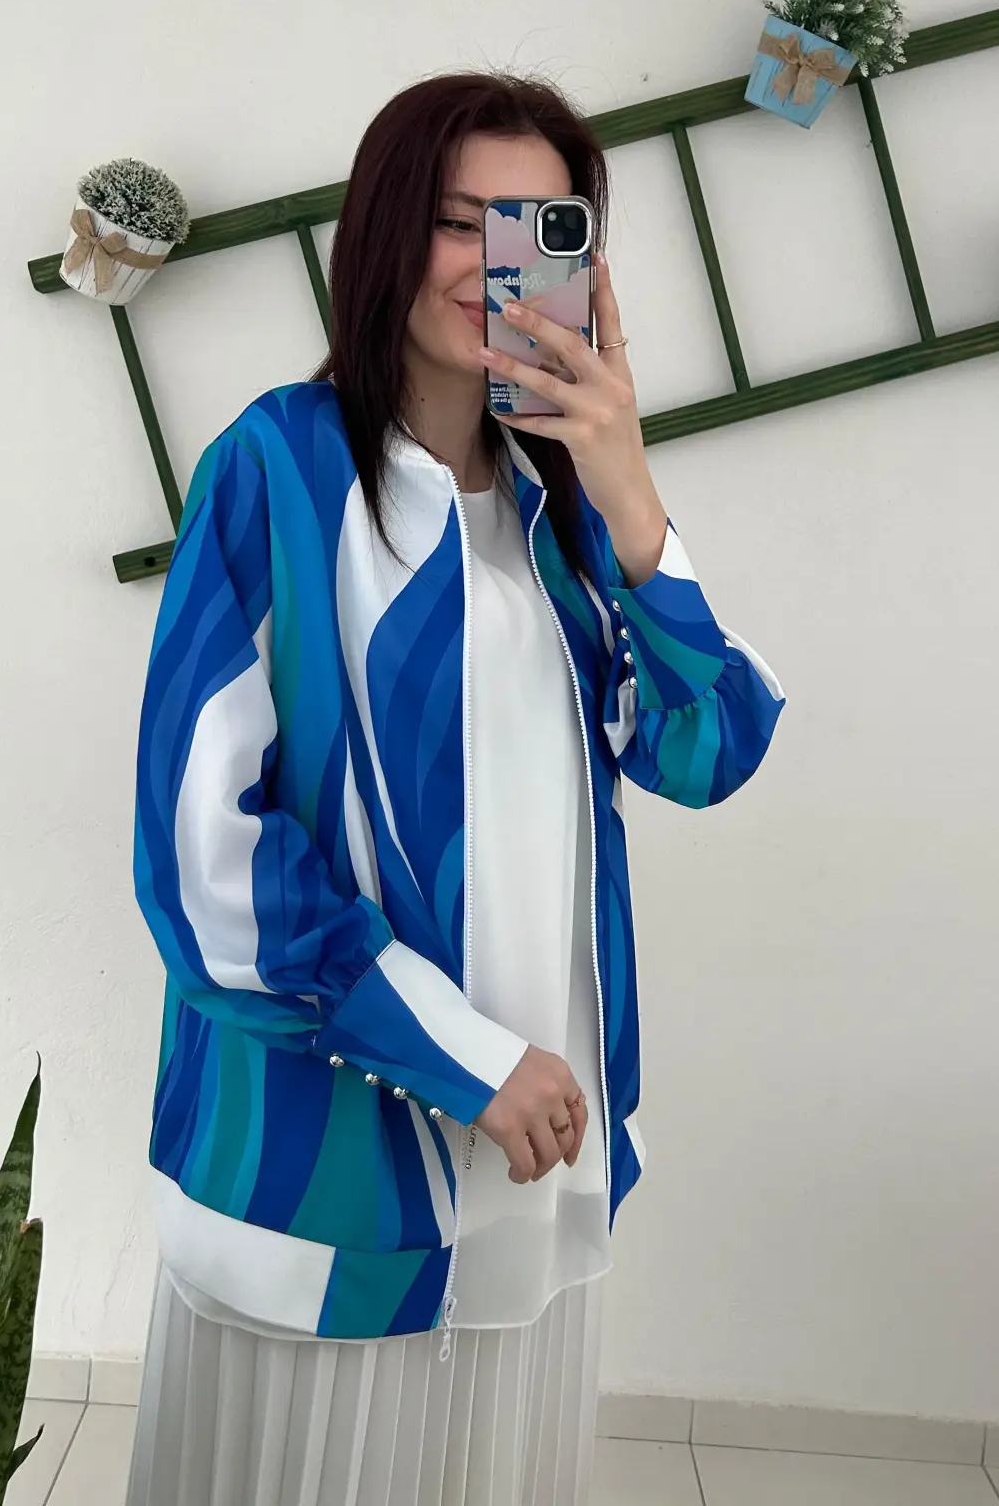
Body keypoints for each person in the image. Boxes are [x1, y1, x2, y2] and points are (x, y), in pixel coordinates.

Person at [126, 73, 784, 1506]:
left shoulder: (565, 511)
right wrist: (469, 1061)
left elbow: (709, 750)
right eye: (456, 219)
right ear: (382, 231)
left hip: (536, 1148)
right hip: (334, 1156)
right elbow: (203, 858)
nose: (494, 261)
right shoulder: (276, 472)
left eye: (538, 226)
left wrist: (623, 477)